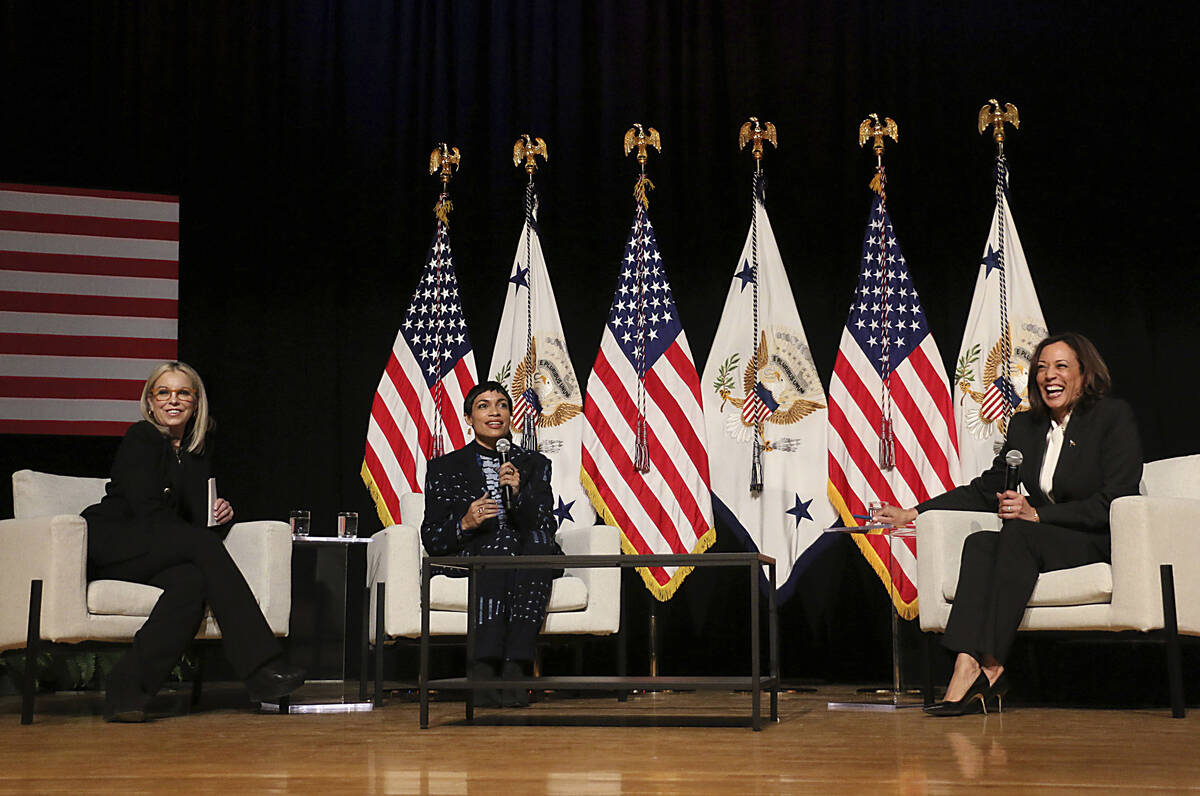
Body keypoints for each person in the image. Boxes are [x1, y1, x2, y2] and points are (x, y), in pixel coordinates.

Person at [872, 332, 1142, 715]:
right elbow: (987, 488)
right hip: (1040, 540)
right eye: (1042, 368)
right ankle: (971, 664)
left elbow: (1116, 499)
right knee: (982, 542)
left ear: (1085, 374)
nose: (1050, 375)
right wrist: (914, 512)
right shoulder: (1025, 427)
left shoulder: (1111, 417)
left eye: (1062, 366)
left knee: (1017, 534)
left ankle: (991, 664)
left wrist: (1038, 513)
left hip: (1093, 538)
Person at [82, 361, 304, 722]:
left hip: (154, 550)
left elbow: (194, 523)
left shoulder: (197, 451)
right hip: (115, 541)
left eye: (183, 392)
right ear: (150, 402)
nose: (173, 400)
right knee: (201, 547)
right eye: (163, 393)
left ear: (196, 402)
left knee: (191, 582)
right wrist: (200, 536)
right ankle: (261, 666)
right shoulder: (142, 438)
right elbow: (147, 510)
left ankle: (125, 692)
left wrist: (218, 515)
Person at [420, 380, 563, 707]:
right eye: (484, 406)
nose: (495, 412)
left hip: (528, 553)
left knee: (538, 544)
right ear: (469, 418)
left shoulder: (534, 464)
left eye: (502, 404)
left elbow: (544, 525)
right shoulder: (444, 468)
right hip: (475, 552)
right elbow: (432, 537)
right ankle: (483, 668)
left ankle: (516, 667)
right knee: (498, 543)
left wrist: (518, 495)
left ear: (511, 415)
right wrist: (465, 523)